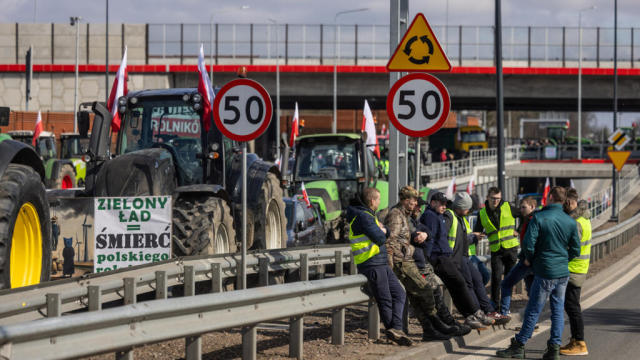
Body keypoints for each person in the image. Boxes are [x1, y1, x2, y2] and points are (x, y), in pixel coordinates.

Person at [496, 187, 581, 359]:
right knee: (557, 310)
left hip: (545, 271)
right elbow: (576, 250)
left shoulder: (539, 217)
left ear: (550, 197)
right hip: (562, 272)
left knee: (534, 309)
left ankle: (519, 345)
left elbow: (528, 244)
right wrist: (564, 259)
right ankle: (554, 348)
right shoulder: (570, 221)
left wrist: (533, 259)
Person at [384, 186, 465, 341]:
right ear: (406, 200)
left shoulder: (404, 215)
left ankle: (429, 329)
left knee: (416, 297)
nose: (416, 203)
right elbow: (390, 241)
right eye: (413, 200)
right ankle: (436, 323)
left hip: (407, 260)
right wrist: (391, 266)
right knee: (425, 290)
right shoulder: (396, 215)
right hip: (401, 262)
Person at [345, 187, 412, 346]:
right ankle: (394, 331)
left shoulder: (369, 216)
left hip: (380, 262)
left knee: (399, 293)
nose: (380, 202)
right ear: (372, 201)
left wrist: (384, 230)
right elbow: (380, 238)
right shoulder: (364, 217)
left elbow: (386, 231)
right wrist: (383, 231)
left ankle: (396, 329)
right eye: (378, 199)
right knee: (385, 300)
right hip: (371, 264)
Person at [419, 191, 495, 329]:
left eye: (445, 204)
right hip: (442, 258)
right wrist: (427, 261)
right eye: (441, 204)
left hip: (447, 257)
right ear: (433, 203)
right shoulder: (433, 216)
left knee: (461, 284)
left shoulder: (439, 216)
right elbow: (430, 241)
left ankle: (473, 314)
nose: (444, 206)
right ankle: (473, 313)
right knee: (460, 284)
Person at [408, 197, 470, 335]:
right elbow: (414, 236)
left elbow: (428, 232)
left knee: (432, 293)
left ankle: (441, 325)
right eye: (417, 206)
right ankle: (440, 326)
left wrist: (425, 234)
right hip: (415, 263)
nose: (419, 209)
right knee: (429, 294)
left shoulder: (415, 219)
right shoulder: (407, 219)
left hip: (421, 262)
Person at [446, 192, 510, 325]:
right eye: (467, 208)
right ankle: (476, 312)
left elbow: (462, 238)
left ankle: (488, 310)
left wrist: (472, 237)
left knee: (478, 279)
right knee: (469, 283)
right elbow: (455, 239)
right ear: (460, 207)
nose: (468, 211)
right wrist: (473, 237)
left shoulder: (460, 218)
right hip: (455, 257)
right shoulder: (451, 216)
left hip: (464, 255)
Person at [474, 187, 520, 307]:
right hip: (496, 250)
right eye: (493, 198)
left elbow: (524, 215)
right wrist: (478, 235)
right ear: (487, 198)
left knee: (509, 279)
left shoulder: (508, 206)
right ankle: (495, 304)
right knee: (496, 278)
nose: (496, 201)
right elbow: (477, 231)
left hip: (510, 248)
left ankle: (506, 306)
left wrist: (519, 230)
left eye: (498, 198)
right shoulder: (482, 213)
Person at [560, 190, 592, 356]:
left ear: (571, 203)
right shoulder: (584, 219)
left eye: (565, 204)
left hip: (574, 269)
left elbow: (572, 248)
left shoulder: (577, 223)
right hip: (578, 268)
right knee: (571, 306)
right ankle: (575, 339)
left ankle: (580, 342)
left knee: (572, 307)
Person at [499, 196, 538, 316]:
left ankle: (504, 312)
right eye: (520, 207)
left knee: (506, 284)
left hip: (527, 261)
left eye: (524, 207)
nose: (521, 210)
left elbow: (531, 242)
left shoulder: (532, 221)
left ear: (532, 207)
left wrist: (528, 258)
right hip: (534, 261)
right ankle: (532, 319)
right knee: (532, 292)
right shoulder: (532, 219)